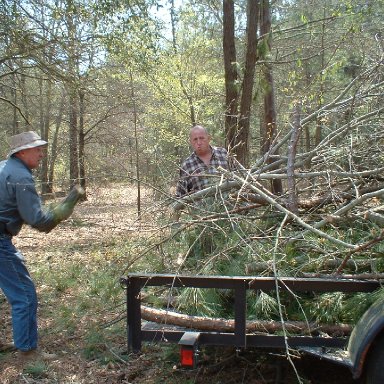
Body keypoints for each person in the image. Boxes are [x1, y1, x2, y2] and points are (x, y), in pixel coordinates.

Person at [0, 130, 83, 362]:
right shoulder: (21, 177)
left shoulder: (4, 168)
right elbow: (40, 222)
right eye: (37, 149)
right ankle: (27, 352)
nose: (41, 154)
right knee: (24, 295)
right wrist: (66, 205)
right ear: (22, 152)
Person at [176, 125, 230, 197]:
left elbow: (237, 179)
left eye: (202, 138)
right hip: (201, 207)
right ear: (190, 142)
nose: (199, 142)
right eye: (195, 139)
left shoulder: (223, 154)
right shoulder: (186, 166)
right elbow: (181, 197)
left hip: (229, 205)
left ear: (208, 138)